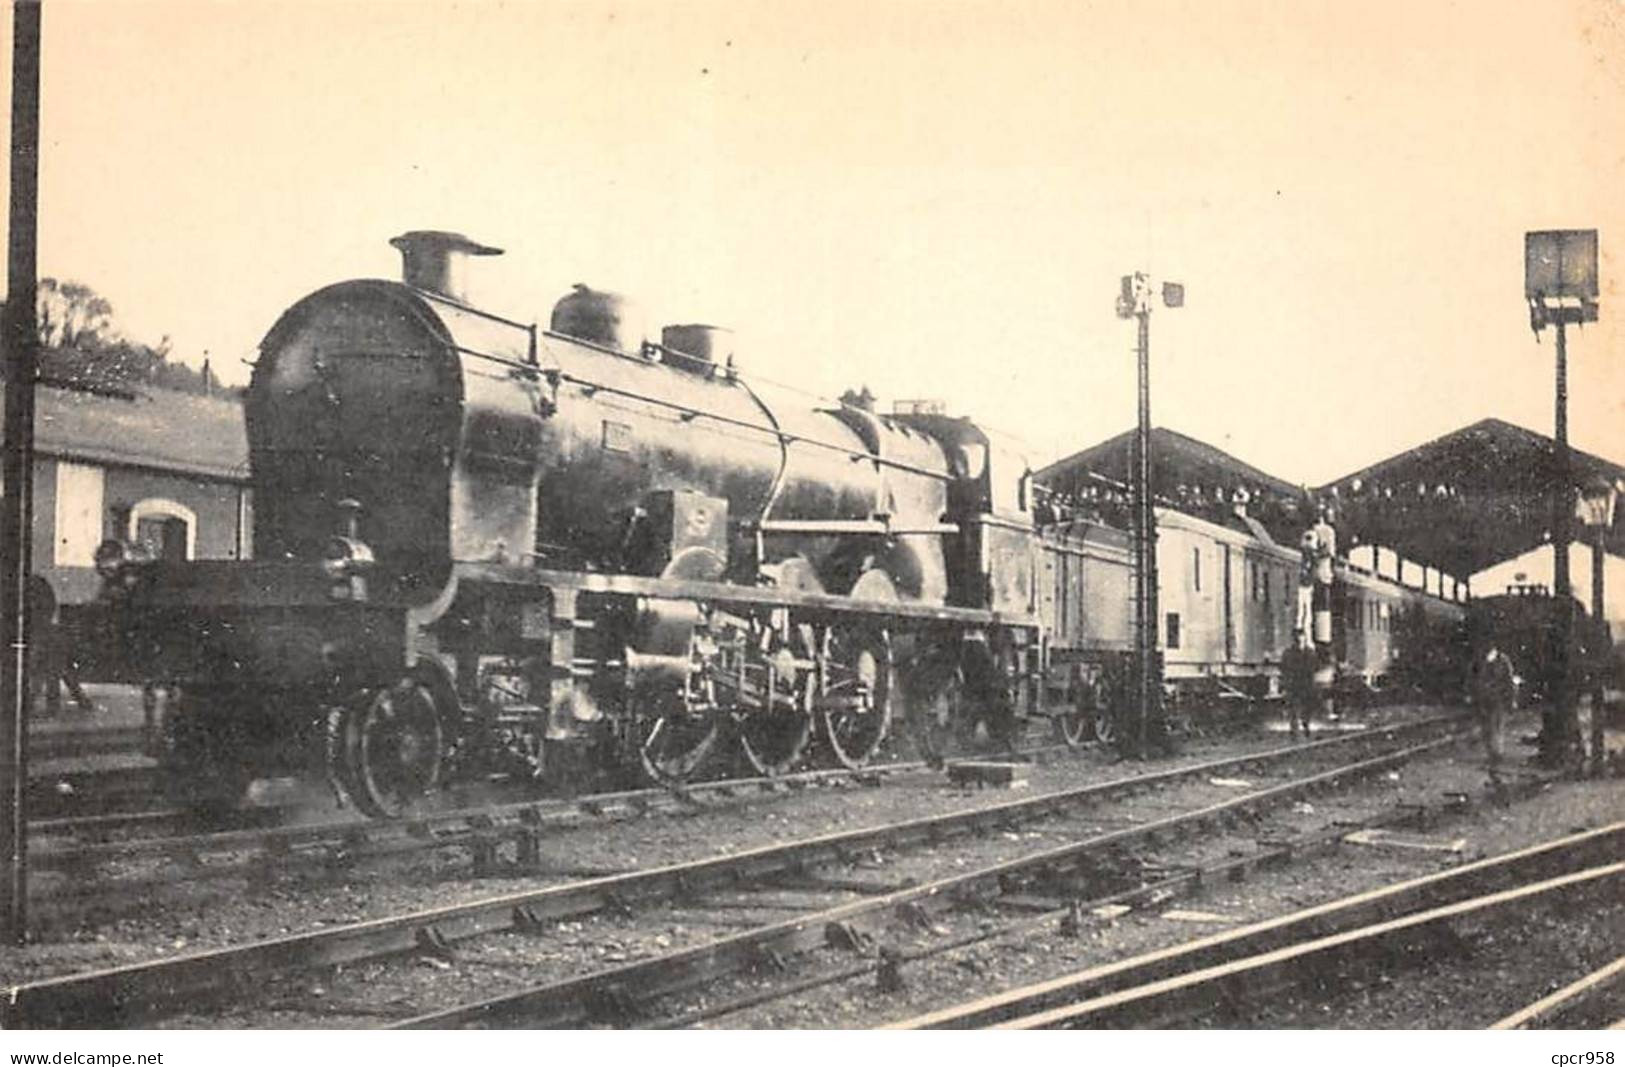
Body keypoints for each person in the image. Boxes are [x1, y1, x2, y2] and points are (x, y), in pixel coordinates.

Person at [1471, 644, 1517, 782]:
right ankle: (1493, 754)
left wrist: (1511, 699)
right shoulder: (1480, 661)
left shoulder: (1502, 661)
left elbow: (1508, 681)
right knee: (1487, 728)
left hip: (1497, 699)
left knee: (1495, 726)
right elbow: (1474, 679)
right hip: (1485, 699)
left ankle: (1496, 755)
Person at [1280, 633, 1318, 737]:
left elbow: (1315, 667)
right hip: (1294, 684)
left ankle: (1306, 723)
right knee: (1293, 707)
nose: (1300, 643)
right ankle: (1294, 727)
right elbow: (1284, 668)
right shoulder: (1288, 653)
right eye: (1298, 641)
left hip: (1306, 684)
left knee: (1307, 706)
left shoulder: (1310, 653)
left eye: (1302, 641)